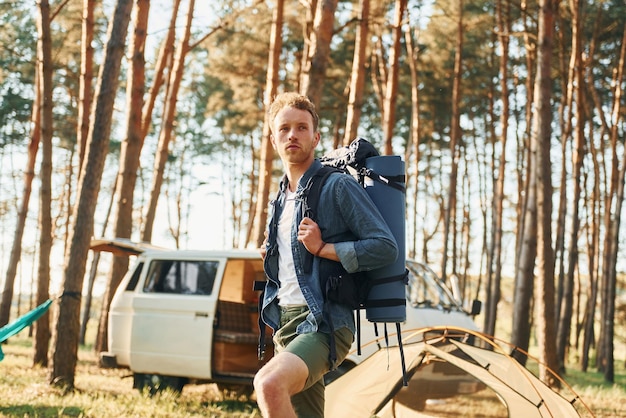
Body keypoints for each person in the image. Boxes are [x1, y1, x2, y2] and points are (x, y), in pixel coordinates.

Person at [253, 92, 398, 418]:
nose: (293, 134)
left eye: (302, 128)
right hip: (284, 324)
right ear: (273, 138)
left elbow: (385, 247)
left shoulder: (337, 187)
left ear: (316, 137)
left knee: (268, 385)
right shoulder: (278, 200)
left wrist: (324, 248)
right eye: (284, 128)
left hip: (324, 323)